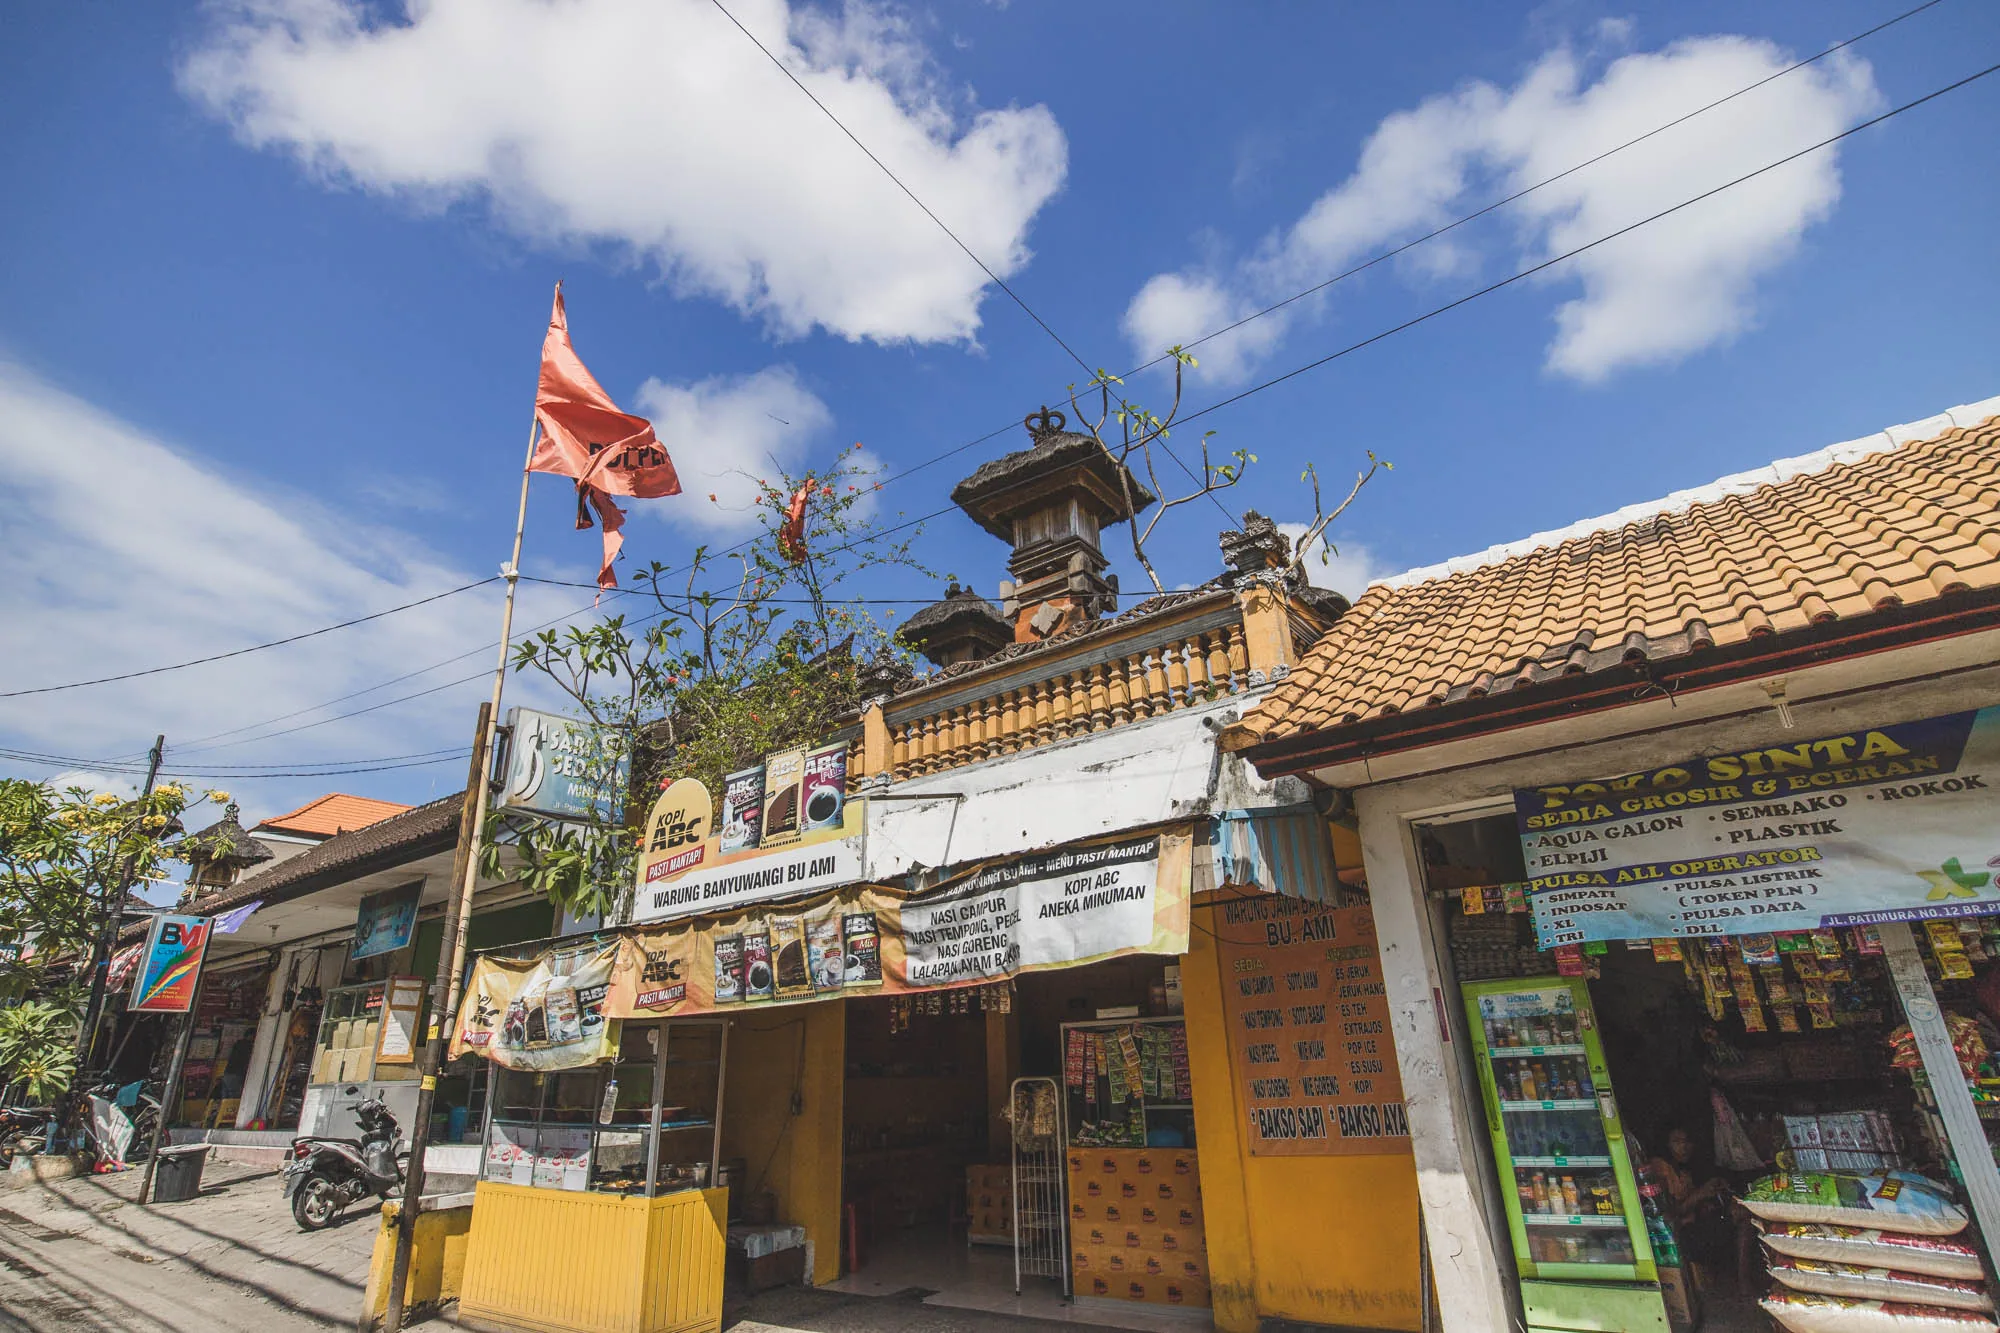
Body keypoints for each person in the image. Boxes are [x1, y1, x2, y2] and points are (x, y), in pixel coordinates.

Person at [1648, 1127, 1739, 1288]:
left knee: (1739, 1216)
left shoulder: (1684, 1170)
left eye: (1687, 1142)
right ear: (1666, 1145)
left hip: (1694, 1222)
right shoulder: (1660, 1167)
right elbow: (1668, 1214)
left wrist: (1706, 1199)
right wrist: (1699, 1195)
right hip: (1678, 1234)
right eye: (1677, 1142)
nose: (1684, 1147)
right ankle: (1743, 1282)